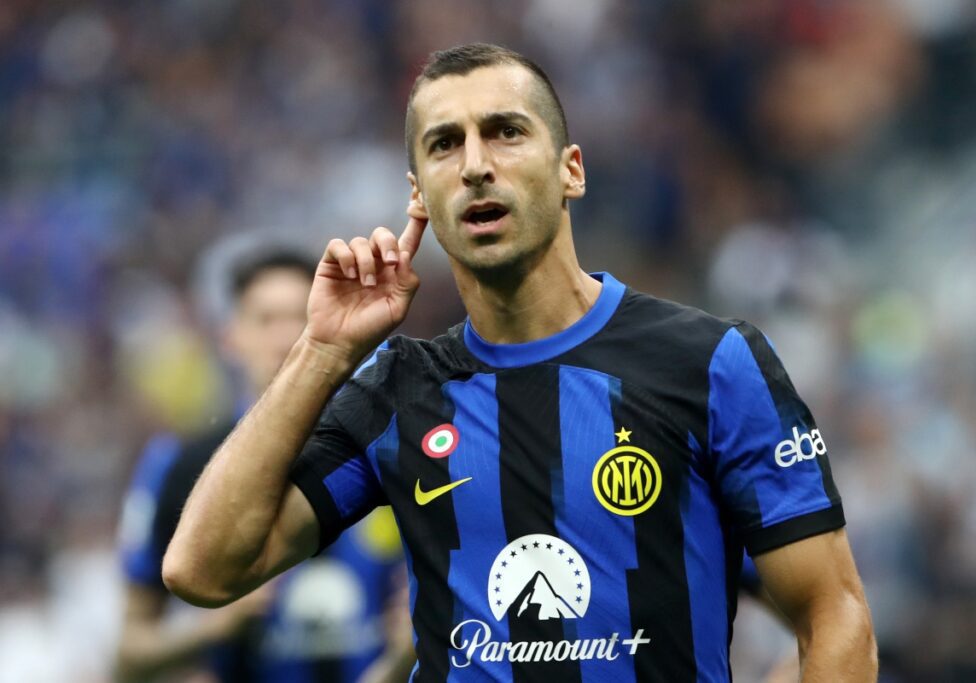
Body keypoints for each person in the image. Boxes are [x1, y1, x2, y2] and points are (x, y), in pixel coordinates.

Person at [163, 44, 877, 681]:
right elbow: (203, 569)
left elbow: (834, 617)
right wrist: (322, 351)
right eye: (445, 144)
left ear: (572, 171)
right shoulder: (398, 392)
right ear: (419, 195)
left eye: (506, 132)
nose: (476, 165)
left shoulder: (709, 362)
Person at [116, 247, 412, 683]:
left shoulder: (395, 451)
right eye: (266, 319)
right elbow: (127, 657)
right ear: (230, 338)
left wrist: (414, 641)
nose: (285, 335)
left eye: (300, 317)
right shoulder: (180, 465)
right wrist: (211, 627)